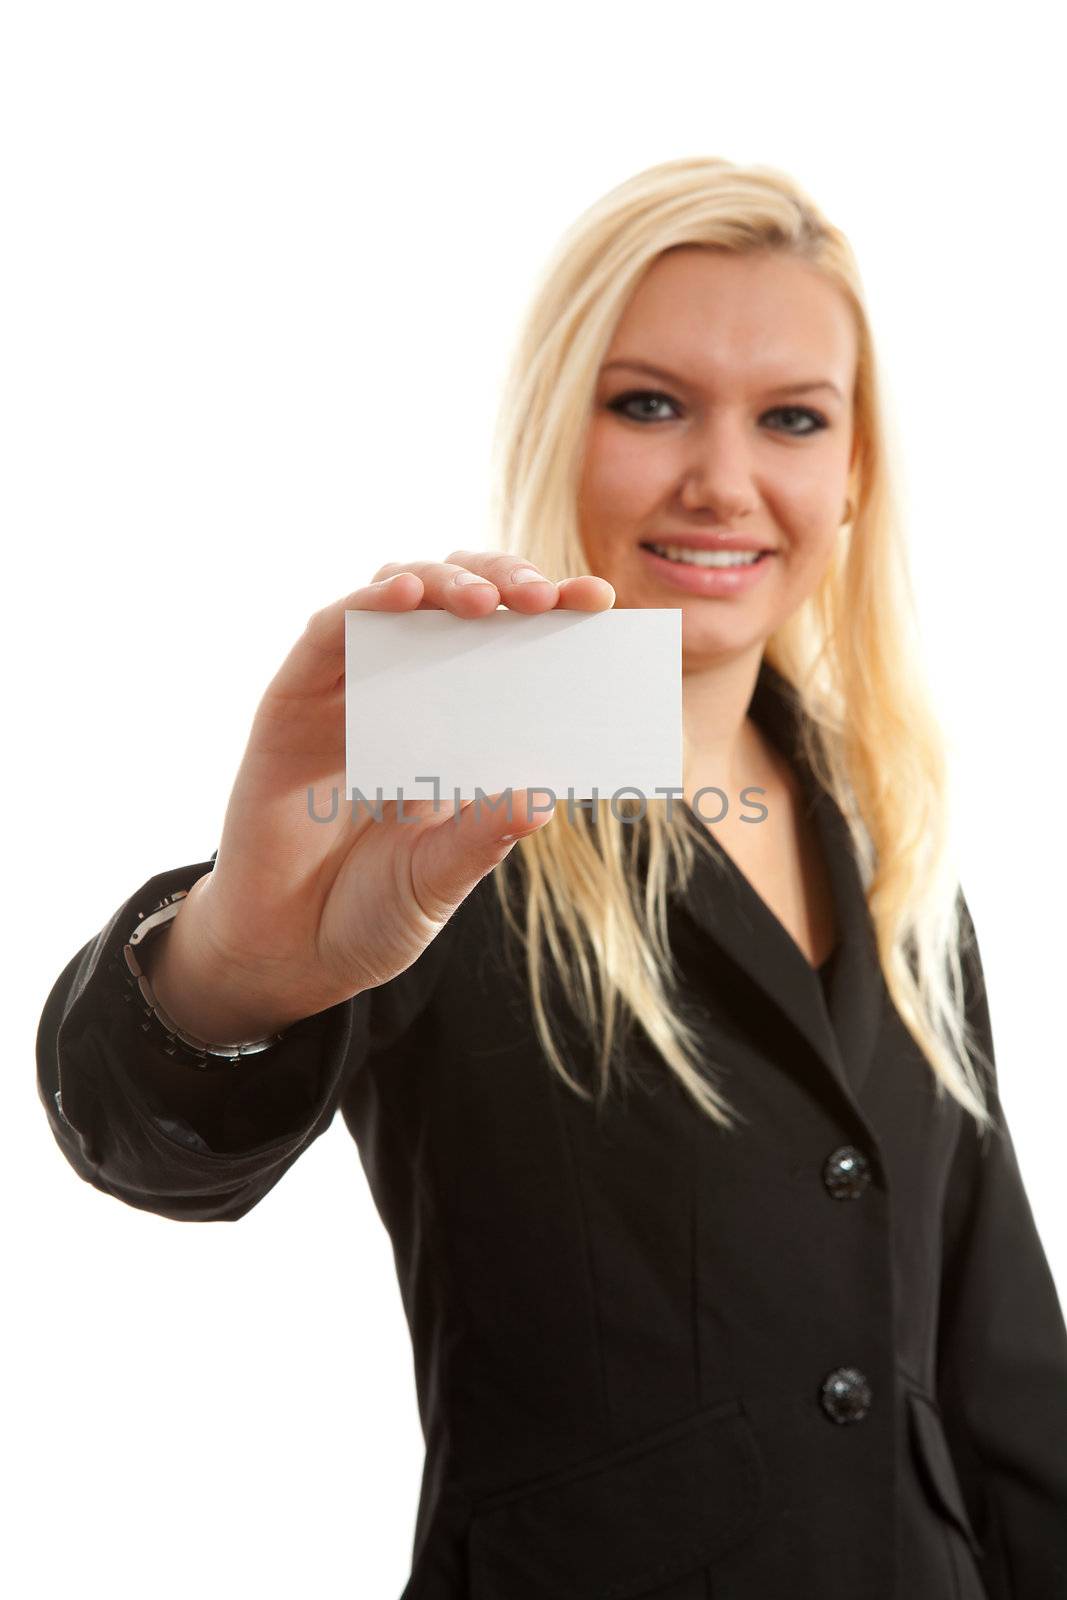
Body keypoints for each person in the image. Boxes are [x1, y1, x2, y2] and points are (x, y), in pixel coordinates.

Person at [37, 156, 1067, 1599]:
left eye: (792, 419)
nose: (724, 479)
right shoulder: (456, 804)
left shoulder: (899, 848)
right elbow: (148, 1134)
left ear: (851, 477)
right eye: (649, 404)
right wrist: (230, 965)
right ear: (558, 425)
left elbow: (1003, 1374)